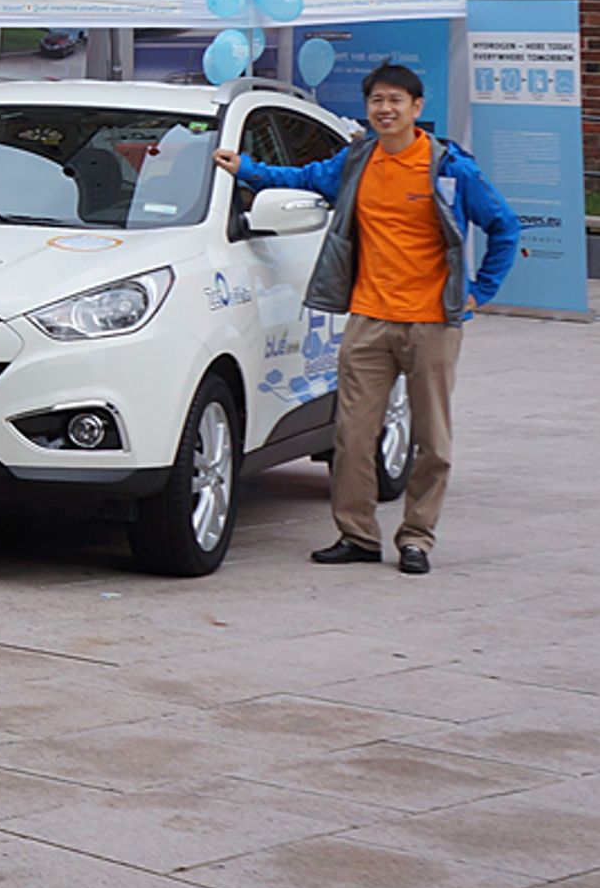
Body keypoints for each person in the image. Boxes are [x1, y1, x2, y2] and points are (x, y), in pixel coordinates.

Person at [215, 62, 519, 574]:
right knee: (353, 435)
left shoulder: (448, 168)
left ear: (416, 108)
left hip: (432, 323)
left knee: (433, 440)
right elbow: (304, 177)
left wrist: (479, 291)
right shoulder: (358, 160)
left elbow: (503, 226)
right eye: (377, 100)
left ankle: (417, 538)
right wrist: (245, 167)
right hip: (369, 319)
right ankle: (356, 535)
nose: (385, 109)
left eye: (396, 100)